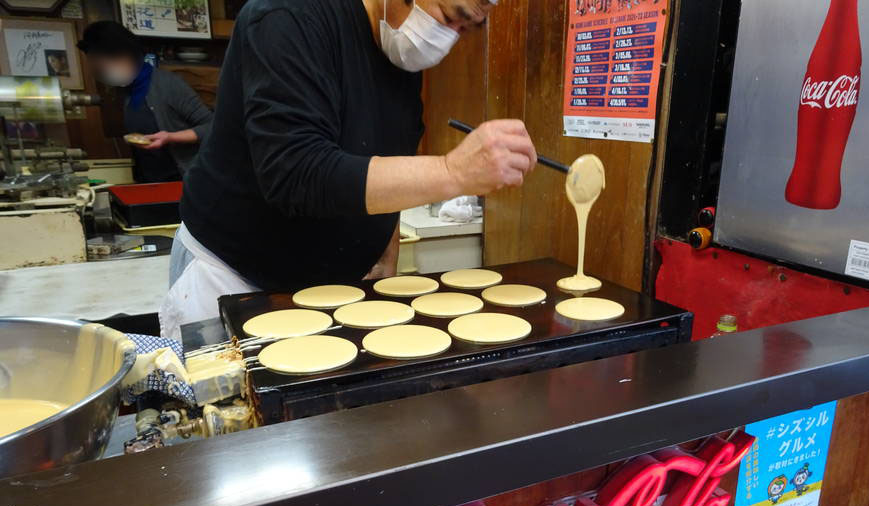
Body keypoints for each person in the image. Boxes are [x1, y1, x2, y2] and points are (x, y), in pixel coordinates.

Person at [159, 0, 538, 339]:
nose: (449, 38)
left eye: (466, 29)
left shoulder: (400, 50)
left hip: (330, 287)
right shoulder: (288, 17)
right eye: (451, 17)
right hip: (231, 276)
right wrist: (452, 172)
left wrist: (387, 250)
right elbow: (296, 173)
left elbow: (390, 154)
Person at [77, 21, 213, 183]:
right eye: (99, 67)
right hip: (149, 181)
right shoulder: (125, 90)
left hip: (183, 182)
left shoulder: (168, 84)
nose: (104, 71)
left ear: (127, 54)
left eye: (107, 63)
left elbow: (213, 126)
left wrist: (170, 137)